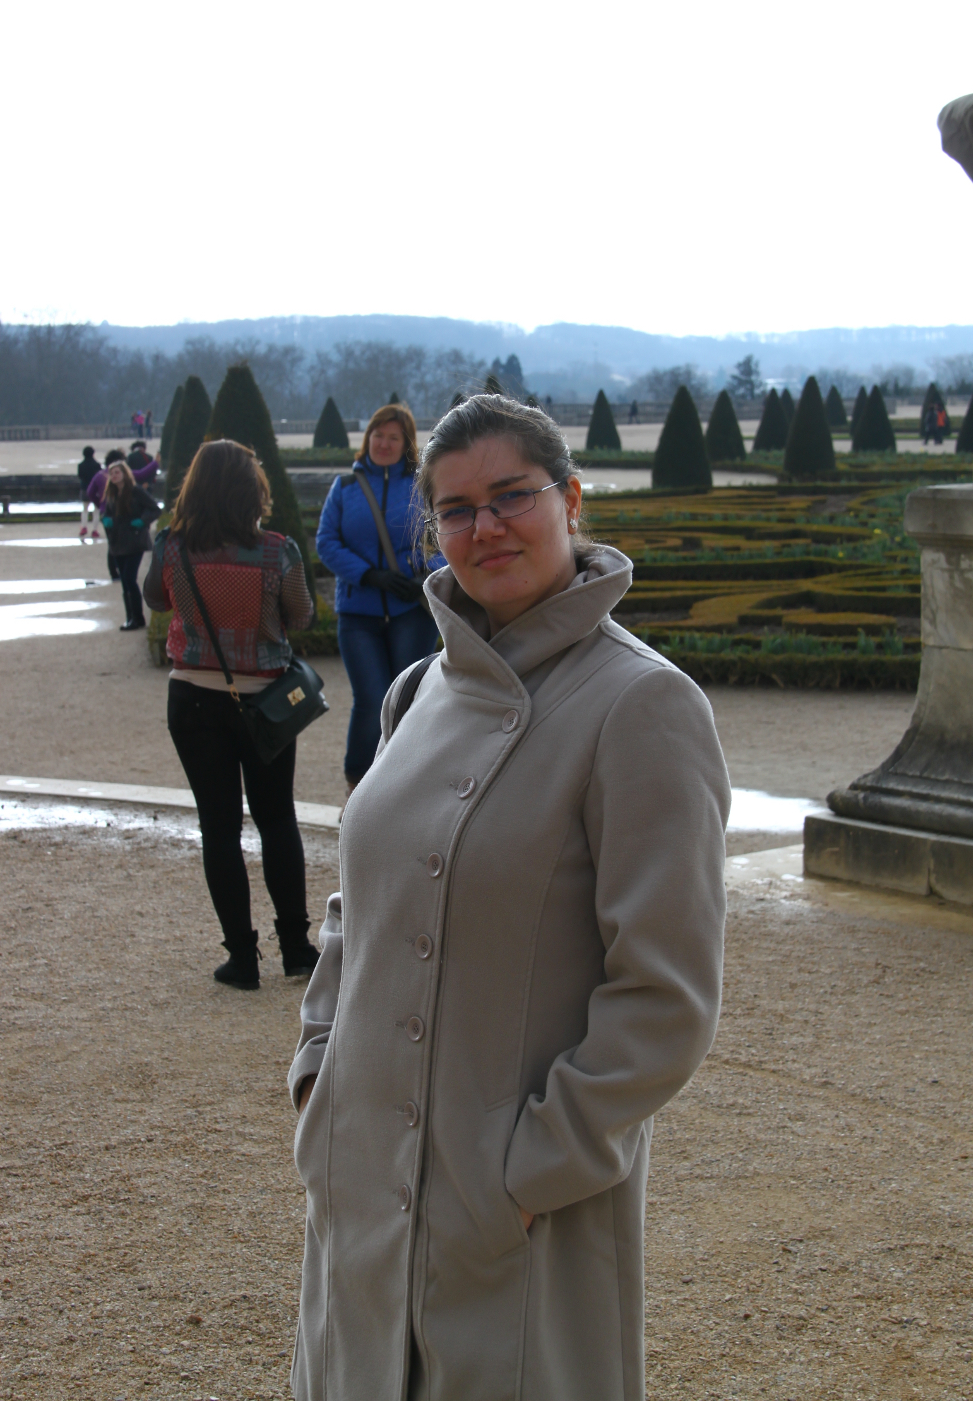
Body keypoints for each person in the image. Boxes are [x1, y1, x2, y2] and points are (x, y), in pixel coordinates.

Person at [288, 394, 730, 1401]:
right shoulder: (413, 692)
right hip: (358, 1185)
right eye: (454, 509)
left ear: (570, 500)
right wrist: (318, 1077)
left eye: (510, 497)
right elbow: (356, 912)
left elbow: (664, 998)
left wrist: (526, 1172)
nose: (483, 528)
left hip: (513, 1215)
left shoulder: (641, 705)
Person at [143, 439, 320, 989]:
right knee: (276, 820)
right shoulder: (277, 550)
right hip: (264, 701)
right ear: (253, 489)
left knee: (218, 827)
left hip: (194, 696)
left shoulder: (173, 545)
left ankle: (242, 960)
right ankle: (295, 948)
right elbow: (304, 616)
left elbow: (154, 600)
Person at [315, 401, 442, 793]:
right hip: (359, 611)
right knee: (370, 700)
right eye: (378, 435)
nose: (383, 443)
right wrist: (370, 575)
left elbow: (446, 537)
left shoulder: (423, 485)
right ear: (367, 437)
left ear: (406, 444)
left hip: (410, 609)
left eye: (393, 437)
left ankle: (403, 788)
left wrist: (420, 574)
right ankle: (357, 788)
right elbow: (326, 543)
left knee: (407, 701)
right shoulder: (346, 487)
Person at [100, 461, 160, 629]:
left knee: (129, 578)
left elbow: (155, 509)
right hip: (118, 542)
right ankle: (131, 618)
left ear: (125, 474)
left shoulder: (136, 491)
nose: (114, 476)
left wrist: (142, 521)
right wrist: (106, 520)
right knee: (125, 582)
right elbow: (107, 513)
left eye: (117, 472)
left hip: (134, 541)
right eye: (112, 474)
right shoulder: (111, 494)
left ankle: (137, 618)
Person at [77, 446, 101, 539]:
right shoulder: (97, 465)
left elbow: (80, 476)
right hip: (95, 489)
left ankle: (84, 527)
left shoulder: (81, 465)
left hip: (84, 488)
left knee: (85, 509)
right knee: (96, 511)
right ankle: (95, 530)